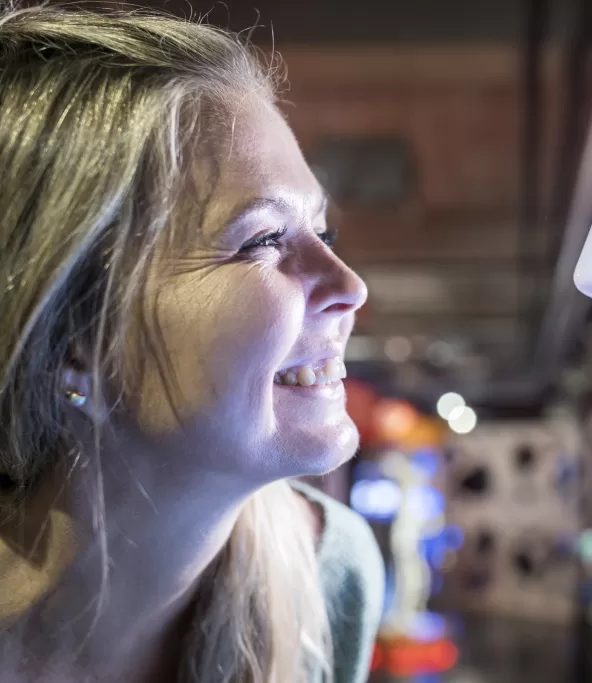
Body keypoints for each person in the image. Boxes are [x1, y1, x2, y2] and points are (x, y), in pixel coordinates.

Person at [0, 4, 383, 682]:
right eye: (264, 239)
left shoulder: (334, 574)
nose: (349, 285)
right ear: (75, 338)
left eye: (321, 233)